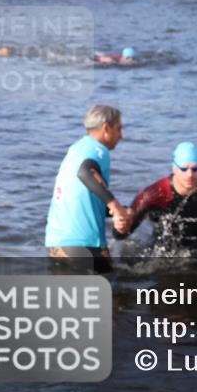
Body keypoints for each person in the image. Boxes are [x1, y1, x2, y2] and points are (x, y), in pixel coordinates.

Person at [45, 105, 131, 271]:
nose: (121, 135)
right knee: (115, 294)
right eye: (119, 129)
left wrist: (118, 212)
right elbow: (85, 173)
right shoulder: (99, 150)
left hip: (56, 245)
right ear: (106, 128)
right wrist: (117, 208)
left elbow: (86, 197)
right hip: (84, 246)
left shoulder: (76, 149)